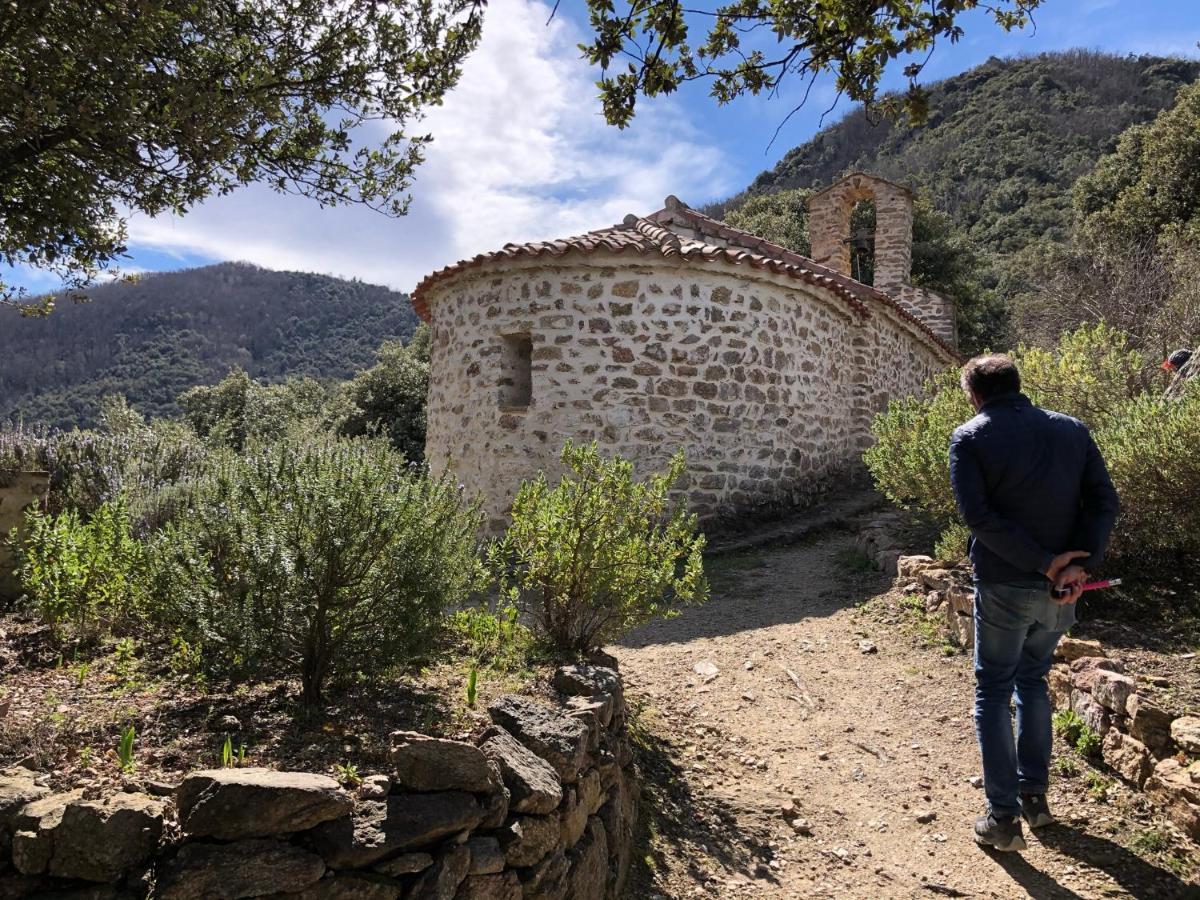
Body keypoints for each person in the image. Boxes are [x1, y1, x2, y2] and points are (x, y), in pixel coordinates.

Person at [948, 355, 1119, 853]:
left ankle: (1002, 818)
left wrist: (1046, 563)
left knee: (994, 690)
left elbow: (977, 517)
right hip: (1062, 589)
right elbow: (1103, 501)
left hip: (1006, 582)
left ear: (975, 394)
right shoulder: (1072, 431)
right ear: (1018, 387)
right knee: (1033, 680)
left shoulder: (970, 437)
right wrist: (1077, 566)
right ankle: (1035, 801)